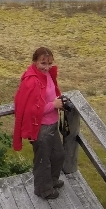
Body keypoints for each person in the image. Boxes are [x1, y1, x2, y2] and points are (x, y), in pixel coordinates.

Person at [13, 47, 65, 199]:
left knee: (58, 155)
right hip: (40, 128)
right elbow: (30, 110)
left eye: (49, 63)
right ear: (34, 62)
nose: (47, 67)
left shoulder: (47, 75)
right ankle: (43, 190)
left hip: (52, 124)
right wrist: (54, 105)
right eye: (43, 63)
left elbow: (49, 95)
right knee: (43, 161)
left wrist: (59, 101)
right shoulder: (31, 81)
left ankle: (52, 181)